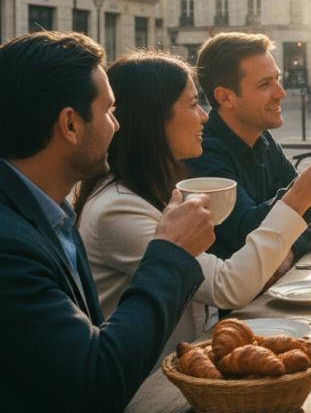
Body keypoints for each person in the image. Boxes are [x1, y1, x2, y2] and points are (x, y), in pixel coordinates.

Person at [75, 52, 311, 362]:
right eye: (193, 105)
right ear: (154, 119)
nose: (205, 116)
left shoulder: (157, 189)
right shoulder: (118, 209)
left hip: (192, 361)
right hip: (151, 390)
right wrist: (297, 199)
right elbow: (227, 286)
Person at [0, 32, 216, 412]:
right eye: (109, 111)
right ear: (70, 125)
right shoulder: (9, 244)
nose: (117, 126)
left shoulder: (51, 212)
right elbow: (96, 381)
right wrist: (170, 253)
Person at [183, 32, 311, 287]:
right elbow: (248, 233)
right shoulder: (203, 152)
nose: (282, 93)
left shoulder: (262, 139)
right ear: (225, 97)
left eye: (277, 79)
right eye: (265, 84)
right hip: (231, 314)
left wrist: (287, 251)